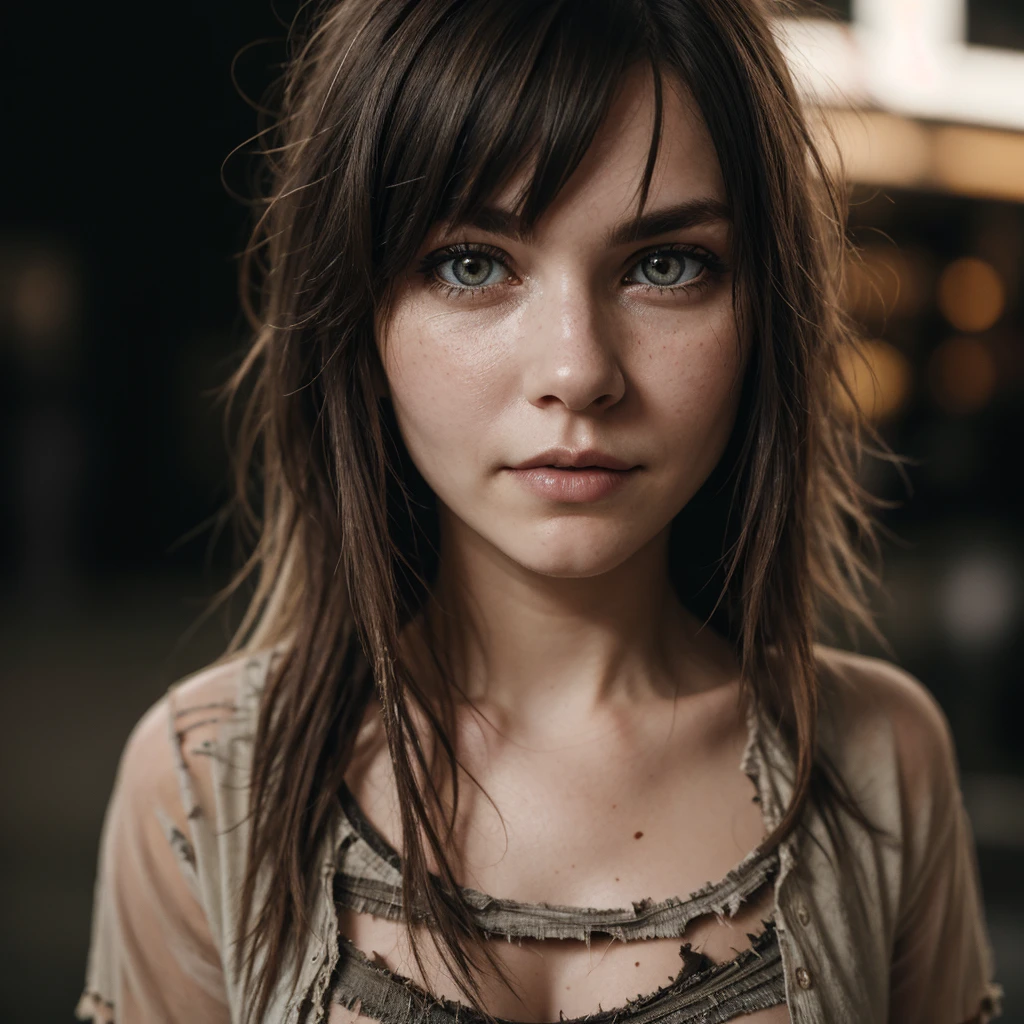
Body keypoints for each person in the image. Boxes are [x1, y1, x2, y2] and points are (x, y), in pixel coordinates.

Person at [75, 1, 1004, 1022]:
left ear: (762, 310)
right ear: (357, 318)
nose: (579, 370)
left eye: (665, 265)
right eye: (471, 263)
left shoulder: (876, 762)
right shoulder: (207, 783)